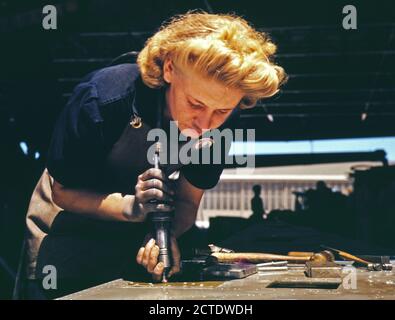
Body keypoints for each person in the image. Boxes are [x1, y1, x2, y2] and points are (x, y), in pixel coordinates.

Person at [17, 11, 286, 299]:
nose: (205, 123)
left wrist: (165, 236)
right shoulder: (104, 98)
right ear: (170, 69)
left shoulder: (222, 120)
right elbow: (64, 192)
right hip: (66, 228)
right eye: (195, 103)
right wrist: (131, 208)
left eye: (221, 111)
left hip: (134, 236)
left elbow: (187, 200)